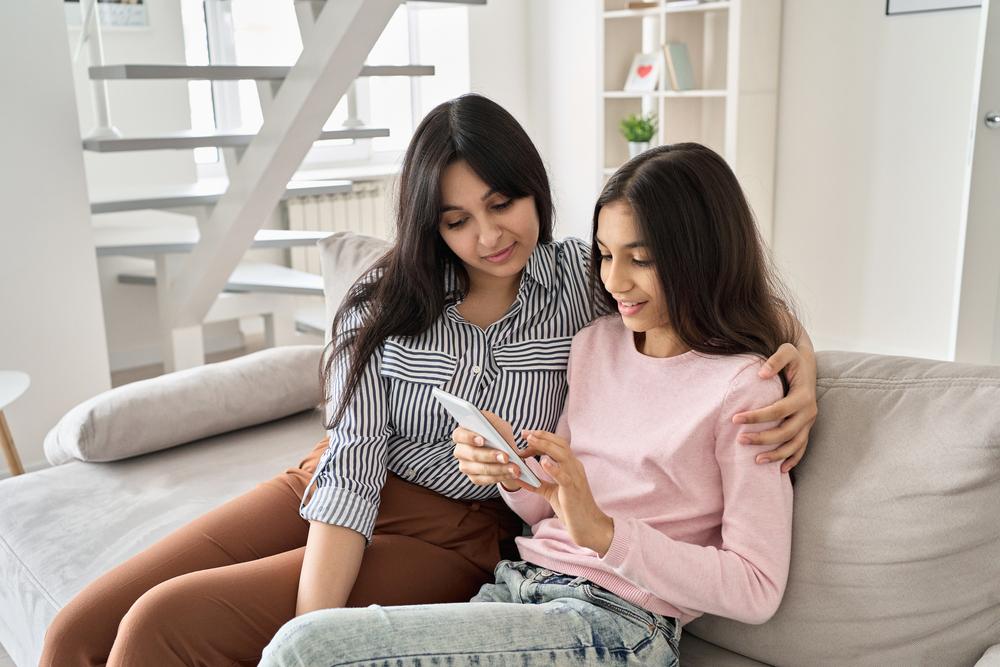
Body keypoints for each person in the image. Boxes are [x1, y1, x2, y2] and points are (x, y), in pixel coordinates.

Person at [41, 97, 815, 667]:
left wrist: (800, 370)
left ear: (532, 189)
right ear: (429, 223)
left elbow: (720, 288)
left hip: (462, 531)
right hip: (343, 486)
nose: (488, 234)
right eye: (455, 219)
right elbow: (348, 479)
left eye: (503, 201)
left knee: (161, 624)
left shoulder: (583, 285)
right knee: (78, 630)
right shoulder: (393, 303)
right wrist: (322, 629)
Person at [259, 142, 797, 666]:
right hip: (520, 587)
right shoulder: (597, 343)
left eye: (642, 259)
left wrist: (607, 536)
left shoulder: (744, 390)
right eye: (605, 256)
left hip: (619, 623)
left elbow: (757, 587)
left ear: (703, 257)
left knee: (305, 647)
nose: (614, 281)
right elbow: (545, 507)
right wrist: (511, 466)